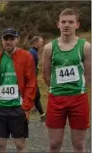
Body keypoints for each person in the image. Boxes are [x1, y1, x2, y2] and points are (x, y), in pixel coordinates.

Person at [42, 8, 90, 153]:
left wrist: (76, 89)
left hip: (78, 98)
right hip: (56, 98)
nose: (66, 25)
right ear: (58, 24)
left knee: (79, 144)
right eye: (63, 22)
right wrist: (58, 88)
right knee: (55, 144)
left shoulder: (86, 47)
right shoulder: (49, 48)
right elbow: (46, 75)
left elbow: (88, 76)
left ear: (77, 24)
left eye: (70, 22)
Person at [0, 28, 36, 153]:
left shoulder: (26, 56)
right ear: (2, 41)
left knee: (20, 144)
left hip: (17, 107)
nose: (8, 42)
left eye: (12, 39)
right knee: (0, 144)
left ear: (17, 40)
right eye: (6, 39)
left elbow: (31, 82)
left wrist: (26, 106)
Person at [28, 36, 46, 121]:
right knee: (35, 96)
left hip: (33, 79)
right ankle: (42, 115)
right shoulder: (32, 52)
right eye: (40, 42)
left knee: (36, 96)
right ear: (35, 42)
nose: (42, 43)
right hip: (30, 80)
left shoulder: (34, 52)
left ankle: (42, 114)